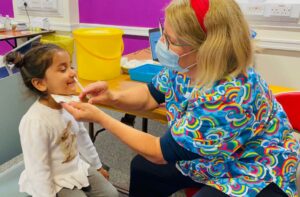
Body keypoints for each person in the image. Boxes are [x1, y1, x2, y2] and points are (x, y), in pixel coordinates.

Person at [62, 0, 299, 196]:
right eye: (164, 33)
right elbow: (149, 96)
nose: (162, 45)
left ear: (207, 50)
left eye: (171, 41)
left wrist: (103, 118)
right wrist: (113, 96)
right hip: (212, 156)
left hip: (254, 169)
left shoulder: (229, 95)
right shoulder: (184, 66)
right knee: (143, 168)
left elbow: (158, 151)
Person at [4, 44, 118, 197]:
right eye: (63, 69)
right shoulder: (35, 122)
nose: (73, 73)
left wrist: (97, 166)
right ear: (40, 83)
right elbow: (37, 168)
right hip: (54, 179)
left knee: (111, 194)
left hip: (76, 167)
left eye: (71, 66)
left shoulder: (70, 105)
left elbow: (83, 137)